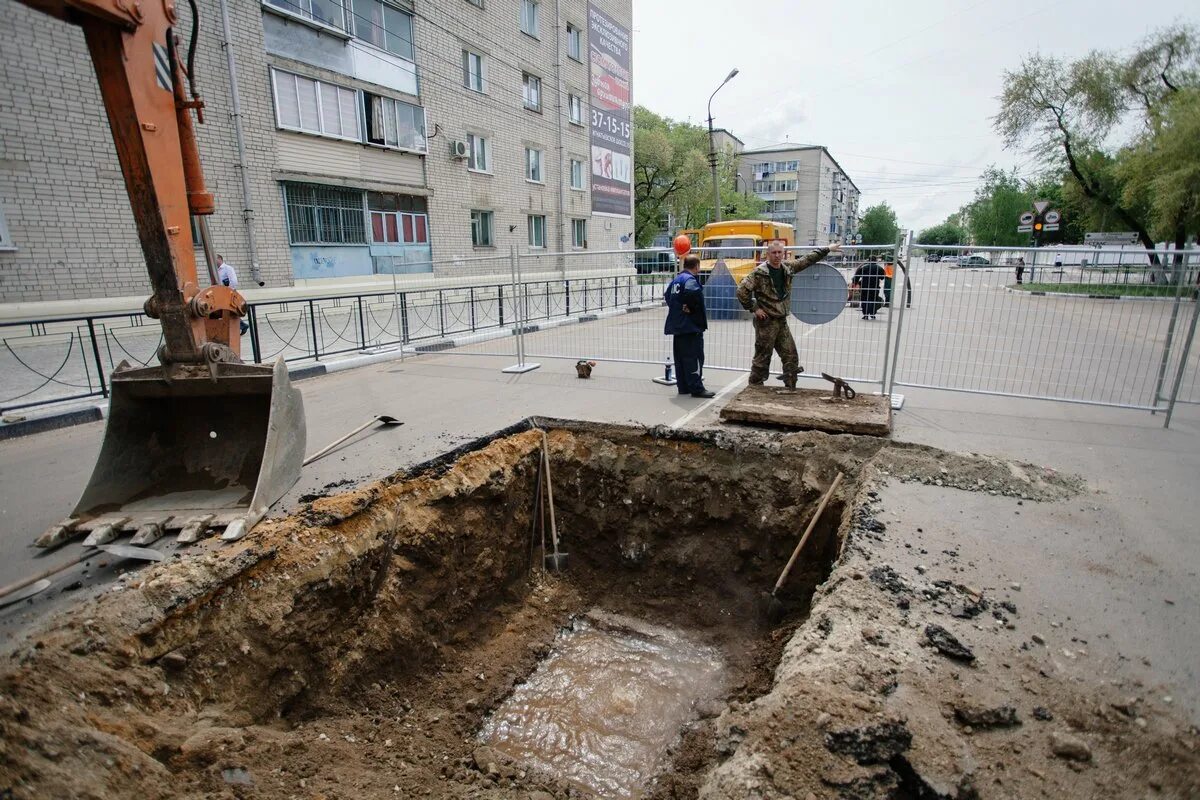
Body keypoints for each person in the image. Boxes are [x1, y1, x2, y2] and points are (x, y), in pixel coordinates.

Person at [735, 240, 840, 388]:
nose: (777, 256)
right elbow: (741, 291)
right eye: (774, 253)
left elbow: (806, 260)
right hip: (766, 322)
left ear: (783, 253)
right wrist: (754, 308)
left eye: (779, 252)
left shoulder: (787, 268)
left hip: (781, 321)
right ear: (768, 254)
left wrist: (828, 249)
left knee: (790, 355)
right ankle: (755, 387)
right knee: (763, 357)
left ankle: (790, 386)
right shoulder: (759, 273)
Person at [663, 254, 713, 398]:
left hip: (677, 327)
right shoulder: (690, 280)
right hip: (690, 327)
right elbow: (692, 292)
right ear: (697, 266)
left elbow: (667, 296)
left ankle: (683, 387)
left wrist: (678, 308)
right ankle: (697, 388)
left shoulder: (676, 280)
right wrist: (690, 308)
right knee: (694, 358)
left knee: (680, 358)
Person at [216, 255, 250, 335]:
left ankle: (241, 325)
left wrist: (228, 291)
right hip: (220, 293)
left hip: (228, 293)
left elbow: (234, 281)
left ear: (220, 259)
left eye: (215, 259)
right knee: (226, 310)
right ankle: (242, 325)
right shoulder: (216, 270)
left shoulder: (228, 268)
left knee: (227, 309)